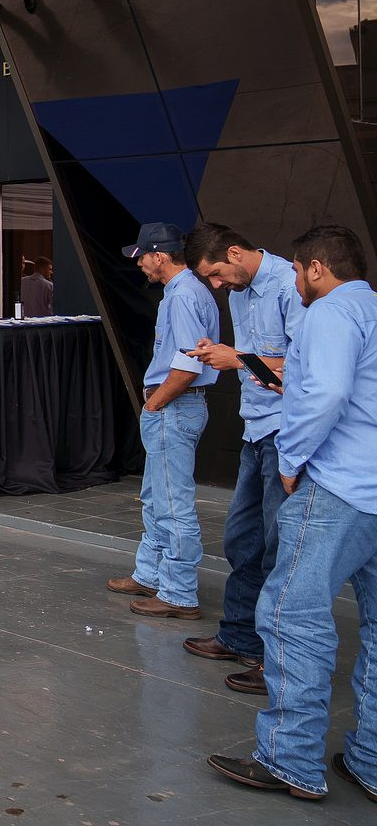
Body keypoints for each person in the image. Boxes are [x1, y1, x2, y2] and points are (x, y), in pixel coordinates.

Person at [207, 226, 377, 802]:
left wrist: (292, 457)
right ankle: (370, 761)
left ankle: (290, 759)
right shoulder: (372, 310)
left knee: (291, 617)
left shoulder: (329, 313)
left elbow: (325, 394)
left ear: (317, 269)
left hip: (337, 488)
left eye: (301, 270)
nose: (297, 281)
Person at [182, 223, 304, 694]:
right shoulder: (239, 292)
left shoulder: (289, 286)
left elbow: (305, 366)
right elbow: (254, 359)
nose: (216, 285)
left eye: (215, 273)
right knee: (242, 539)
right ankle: (239, 636)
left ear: (235, 252)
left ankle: (274, 659)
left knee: (276, 547)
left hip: (285, 432)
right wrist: (224, 354)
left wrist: (237, 360)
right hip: (255, 430)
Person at [107, 222, 218, 618]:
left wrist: (155, 404)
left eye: (142, 257)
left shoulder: (183, 295)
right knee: (157, 497)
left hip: (175, 406)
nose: (139, 264)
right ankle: (152, 574)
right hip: (175, 406)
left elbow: (188, 364)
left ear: (160, 256)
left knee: (172, 503)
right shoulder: (183, 291)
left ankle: (179, 593)